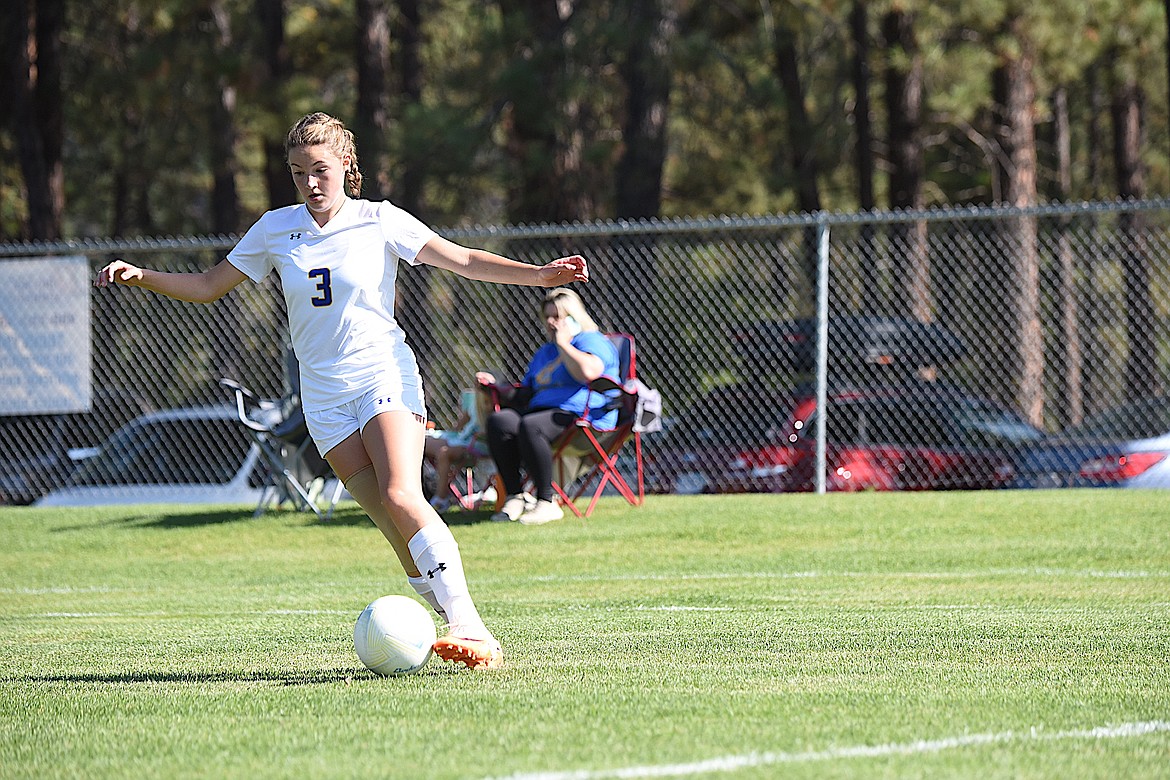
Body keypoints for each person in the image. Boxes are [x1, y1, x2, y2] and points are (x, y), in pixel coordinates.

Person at [94, 111, 590, 671]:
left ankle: (471, 629)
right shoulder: (276, 228)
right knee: (386, 517)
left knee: (403, 494)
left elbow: (465, 260)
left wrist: (539, 276)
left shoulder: (380, 220)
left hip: (382, 373)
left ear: (347, 165)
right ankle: (439, 627)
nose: (310, 183)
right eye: (298, 171)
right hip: (324, 399)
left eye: (321, 169)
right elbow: (210, 286)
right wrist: (143, 276)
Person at [479, 288, 619, 525]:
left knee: (531, 425)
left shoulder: (592, 340)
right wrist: (495, 388)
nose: (552, 323)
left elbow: (589, 372)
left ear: (574, 317)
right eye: (547, 317)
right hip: (542, 412)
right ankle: (516, 496)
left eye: (558, 316)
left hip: (582, 417)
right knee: (500, 421)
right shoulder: (545, 352)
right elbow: (527, 392)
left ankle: (546, 501)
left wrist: (565, 344)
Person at [424, 387, 490, 512]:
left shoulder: (493, 400)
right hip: (463, 438)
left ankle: (440, 497)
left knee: (444, 453)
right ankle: (421, 493)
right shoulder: (473, 398)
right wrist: (453, 432)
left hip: (477, 444)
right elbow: (465, 419)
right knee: (421, 441)